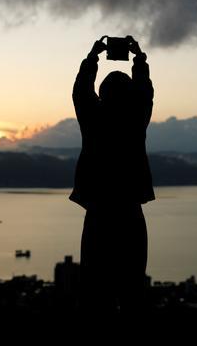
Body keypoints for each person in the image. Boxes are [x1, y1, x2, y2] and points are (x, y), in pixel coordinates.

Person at [70, 35, 155, 314]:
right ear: (130, 96)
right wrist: (138, 58)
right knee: (133, 288)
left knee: (94, 289)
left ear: (102, 94)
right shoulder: (135, 117)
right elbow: (145, 91)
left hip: (98, 212)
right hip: (130, 211)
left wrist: (93, 56)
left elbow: (81, 91)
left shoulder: (93, 117)